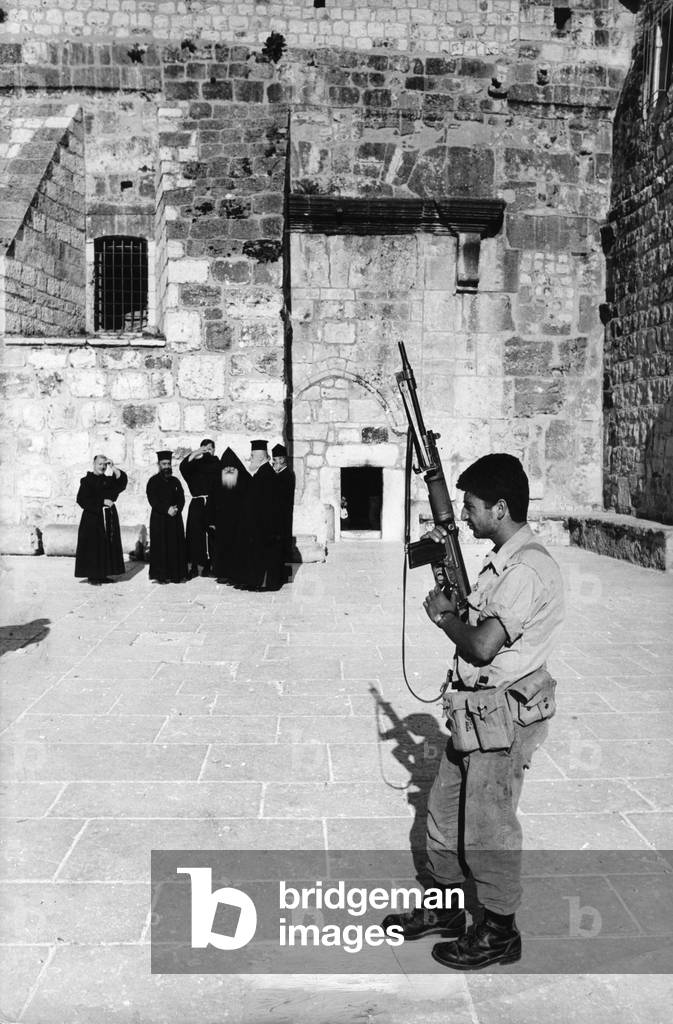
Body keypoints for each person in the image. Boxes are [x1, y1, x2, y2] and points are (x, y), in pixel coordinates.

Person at [383, 454, 565, 970]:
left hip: (503, 716)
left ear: (500, 508)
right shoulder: (501, 561)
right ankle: (445, 908)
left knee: (488, 827)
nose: (464, 515)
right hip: (474, 712)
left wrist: (444, 618)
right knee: (442, 815)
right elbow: (478, 616)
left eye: (472, 507)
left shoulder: (528, 569)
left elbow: (483, 645)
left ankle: (499, 932)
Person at [237, 439, 284, 591]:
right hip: (259, 524)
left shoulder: (266, 475)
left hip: (264, 526)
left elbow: (267, 505)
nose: (250, 459)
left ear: (261, 458)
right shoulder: (261, 473)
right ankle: (255, 581)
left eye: (252, 456)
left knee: (264, 555)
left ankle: (264, 584)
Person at [74, 454, 128, 584]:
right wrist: (102, 501)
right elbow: (81, 499)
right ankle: (92, 576)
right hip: (92, 518)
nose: (103, 467)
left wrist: (113, 467)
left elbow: (121, 483)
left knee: (106, 546)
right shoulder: (86, 481)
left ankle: (103, 574)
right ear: (94, 464)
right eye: (100, 464)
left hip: (107, 517)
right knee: (93, 546)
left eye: (105, 464)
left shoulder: (108, 480)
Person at [207, 446, 250, 585]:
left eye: (232, 467)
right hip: (221, 523)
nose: (229, 470)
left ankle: (235, 575)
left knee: (237, 549)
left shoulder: (243, 480)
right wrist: (211, 521)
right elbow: (211, 501)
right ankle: (222, 574)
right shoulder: (216, 481)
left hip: (238, 522)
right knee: (221, 549)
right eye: (226, 467)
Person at [179, 439, 221, 578]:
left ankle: (211, 566)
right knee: (195, 535)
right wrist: (197, 453)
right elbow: (183, 467)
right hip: (197, 503)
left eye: (211, 448)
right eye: (206, 448)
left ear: (214, 450)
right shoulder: (194, 465)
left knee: (213, 535)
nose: (208, 451)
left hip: (212, 503)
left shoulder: (217, 464)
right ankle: (194, 566)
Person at [146, 450, 187, 584]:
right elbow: (153, 500)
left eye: (168, 464)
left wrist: (177, 509)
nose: (166, 466)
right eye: (164, 464)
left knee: (175, 546)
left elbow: (181, 498)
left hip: (174, 519)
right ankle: (161, 576)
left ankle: (176, 575)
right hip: (160, 520)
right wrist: (166, 509)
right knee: (161, 547)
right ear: (159, 464)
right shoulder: (153, 481)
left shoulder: (175, 481)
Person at [271, 442, 296, 578]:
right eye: (275, 459)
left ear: (283, 459)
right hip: (277, 512)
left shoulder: (287, 474)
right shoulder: (279, 474)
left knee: (283, 538)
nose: (277, 461)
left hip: (283, 512)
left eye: (280, 459)